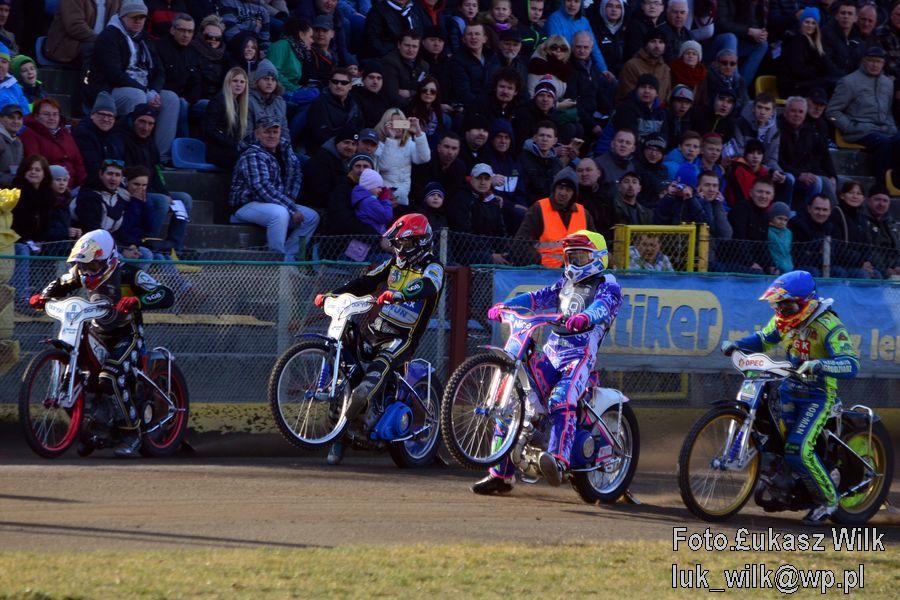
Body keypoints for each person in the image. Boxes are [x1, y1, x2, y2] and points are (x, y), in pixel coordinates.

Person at [474, 230, 622, 493]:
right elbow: (536, 297)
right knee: (514, 400)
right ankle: (500, 474)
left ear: (598, 257)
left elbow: (602, 307)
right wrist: (507, 305)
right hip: (552, 353)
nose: (575, 262)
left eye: (581, 256)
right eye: (571, 257)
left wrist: (585, 318)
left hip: (579, 357)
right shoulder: (564, 283)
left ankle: (559, 459)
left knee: (561, 399)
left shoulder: (607, 284)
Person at [721, 270, 860, 524]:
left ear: (806, 303)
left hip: (818, 396)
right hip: (788, 388)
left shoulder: (828, 325)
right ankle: (786, 484)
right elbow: (763, 340)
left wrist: (819, 365)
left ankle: (829, 501)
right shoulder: (782, 321)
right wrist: (737, 344)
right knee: (774, 439)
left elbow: (851, 364)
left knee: (798, 448)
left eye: (787, 305)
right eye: (778, 305)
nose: (782, 310)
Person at [28, 229, 175, 457]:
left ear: (109, 260)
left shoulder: (129, 274)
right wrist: (41, 297)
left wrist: (137, 301)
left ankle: (131, 433)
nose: (87, 271)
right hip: (96, 332)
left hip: (128, 335)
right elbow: (59, 283)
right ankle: (91, 428)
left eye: (93, 265)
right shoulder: (78, 273)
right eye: (83, 265)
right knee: (83, 377)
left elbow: (165, 294)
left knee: (110, 376)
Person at [315, 213, 443, 465]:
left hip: (402, 338)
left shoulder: (433, 266)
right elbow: (365, 281)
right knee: (346, 372)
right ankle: (339, 435)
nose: (399, 248)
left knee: (368, 383)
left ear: (420, 242)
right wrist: (331, 294)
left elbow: (429, 285)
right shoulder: (393, 263)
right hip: (373, 331)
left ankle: (354, 425)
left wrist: (400, 294)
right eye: (397, 243)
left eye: (404, 243)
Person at [89, 1, 180, 163]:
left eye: (142, 17)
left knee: (171, 99)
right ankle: (134, 153)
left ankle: (160, 156)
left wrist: (154, 91)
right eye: (133, 17)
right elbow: (114, 74)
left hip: (144, 88)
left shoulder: (145, 39)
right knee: (137, 96)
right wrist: (145, 92)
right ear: (122, 17)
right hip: (111, 90)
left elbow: (159, 70)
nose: (138, 21)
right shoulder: (109, 36)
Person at [229, 117, 319, 260]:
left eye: (275, 132)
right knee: (279, 213)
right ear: (257, 134)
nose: (271, 135)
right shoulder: (252, 154)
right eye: (267, 132)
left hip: (275, 202)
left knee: (311, 217)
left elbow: (295, 175)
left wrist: (290, 200)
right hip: (246, 204)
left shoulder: (284, 150)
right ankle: (275, 260)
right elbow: (261, 188)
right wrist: (291, 208)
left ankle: (288, 258)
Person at [827, 46, 899, 181]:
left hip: (884, 129)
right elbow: (832, 111)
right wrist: (850, 127)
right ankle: (880, 185)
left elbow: (888, 111)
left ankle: (895, 184)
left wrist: (892, 127)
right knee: (884, 144)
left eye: (878, 62)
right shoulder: (849, 82)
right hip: (860, 131)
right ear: (863, 61)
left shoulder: (888, 83)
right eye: (871, 60)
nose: (875, 65)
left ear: (883, 64)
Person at [516, 167, 596, 266]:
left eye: (568, 190)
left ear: (574, 194)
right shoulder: (538, 209)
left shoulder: (584, 214)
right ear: (554, 189)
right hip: (542, 271)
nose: (563, 193)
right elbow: (520, 243)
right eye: (560, 188)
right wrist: (538, 261)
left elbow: (595, 244)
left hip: (575, 271)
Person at [20, 98, 88, 189]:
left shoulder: (65, 133)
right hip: (47, 187)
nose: (51, 118)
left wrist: (83, 184)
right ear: (36, 116)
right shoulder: (29, 134)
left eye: (55, 114)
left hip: (72, 187)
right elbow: (35, 164)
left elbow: (78, 161)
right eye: (46, 114)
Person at [374, 109, 431, 206]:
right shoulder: (378, 144)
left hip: (403, 196)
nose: (397, 127)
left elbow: (424, 158)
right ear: (385, 125)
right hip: (383, 197)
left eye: (400, 123)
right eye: (393, 123)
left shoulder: (408, 143)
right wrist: (391, 139)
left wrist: (418, 132)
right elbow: (385, 167)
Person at [44, 0, 121, 67]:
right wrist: (103, 41)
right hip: (68, 45)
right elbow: (75, 27)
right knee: (97, 51)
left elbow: (121, 23)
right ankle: (91, 80)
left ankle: (122, 79)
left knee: (120, 50)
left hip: (100, 42)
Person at [72, 92, 126, 185]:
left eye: (110, 116)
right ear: (92, 115)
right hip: (91, 184)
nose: (106, 119)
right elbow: (92, 166)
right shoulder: (83, 134)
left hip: (113, 182)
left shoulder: (116, 136)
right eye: (101, 114)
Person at [306, 66, 364, 151]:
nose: (339, 85)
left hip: (350, 150)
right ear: (329, 83)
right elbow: (321, 135)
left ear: (350, 86)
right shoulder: (319, 104)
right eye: (335, 82)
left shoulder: (354, 106)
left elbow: (360, 129)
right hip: (325, 152)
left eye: (344, 83)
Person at [202, 66, 249, 170]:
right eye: (235, 81)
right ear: (228, 82)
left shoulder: (241, 105)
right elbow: (209, 130)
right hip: (217, 150)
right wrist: (232, 143)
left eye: (242, 82)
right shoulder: (218, 101)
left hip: (231, 149)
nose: (238, 84)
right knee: (244, 160)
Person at [779, 7, 829, 98]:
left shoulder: (815, 44)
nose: (810, 25)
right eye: (807, 22)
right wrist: (818, 75)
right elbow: (798, 69)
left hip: (804, 82)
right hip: (793, 86)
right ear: (801, 23)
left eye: (813, 23)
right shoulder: (796, 41)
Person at [617, 29, 670, 104]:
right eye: (653, 41)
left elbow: (667, 96)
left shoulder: (665, 69)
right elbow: (628, 94)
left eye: (661, 42)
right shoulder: (632, 65)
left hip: (658, 110)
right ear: (646, 45)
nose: (657, 46)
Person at [863, 185, 900, 278]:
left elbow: (897, 249)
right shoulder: (861, 221)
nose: (881, 204)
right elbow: (869, 251)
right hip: (876, 269)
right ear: (868, 200)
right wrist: (885, 269)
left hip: (894, 268)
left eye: (885, 201)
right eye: (877, 199)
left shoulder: (892, 224)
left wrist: (897, 266)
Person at [351, 167, 393, 234]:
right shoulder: (369, 201)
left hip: (368, 236)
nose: (381, 190)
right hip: (373, 237)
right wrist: (385, 200)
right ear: (369, 186)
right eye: (378, 187)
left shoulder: (363, 199)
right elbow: (386, 217)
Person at [0, 42, 28, 115]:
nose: (0, 65)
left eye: (4, 62)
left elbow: (26, 114)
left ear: (8, 65)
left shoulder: (15, 87)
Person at [767, 201, 793, 275]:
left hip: (788, 267)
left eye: (785, 220)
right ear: (772, 217)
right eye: (779, 218)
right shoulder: (768, 231)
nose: (782, 222)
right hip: (774, 268)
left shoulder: (788, 233)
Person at [0, 102, 22, 186]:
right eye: (11, 117)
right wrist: (13, 180)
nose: (16, 121)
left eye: (19, 118)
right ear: (1, 119)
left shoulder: (18, 141)